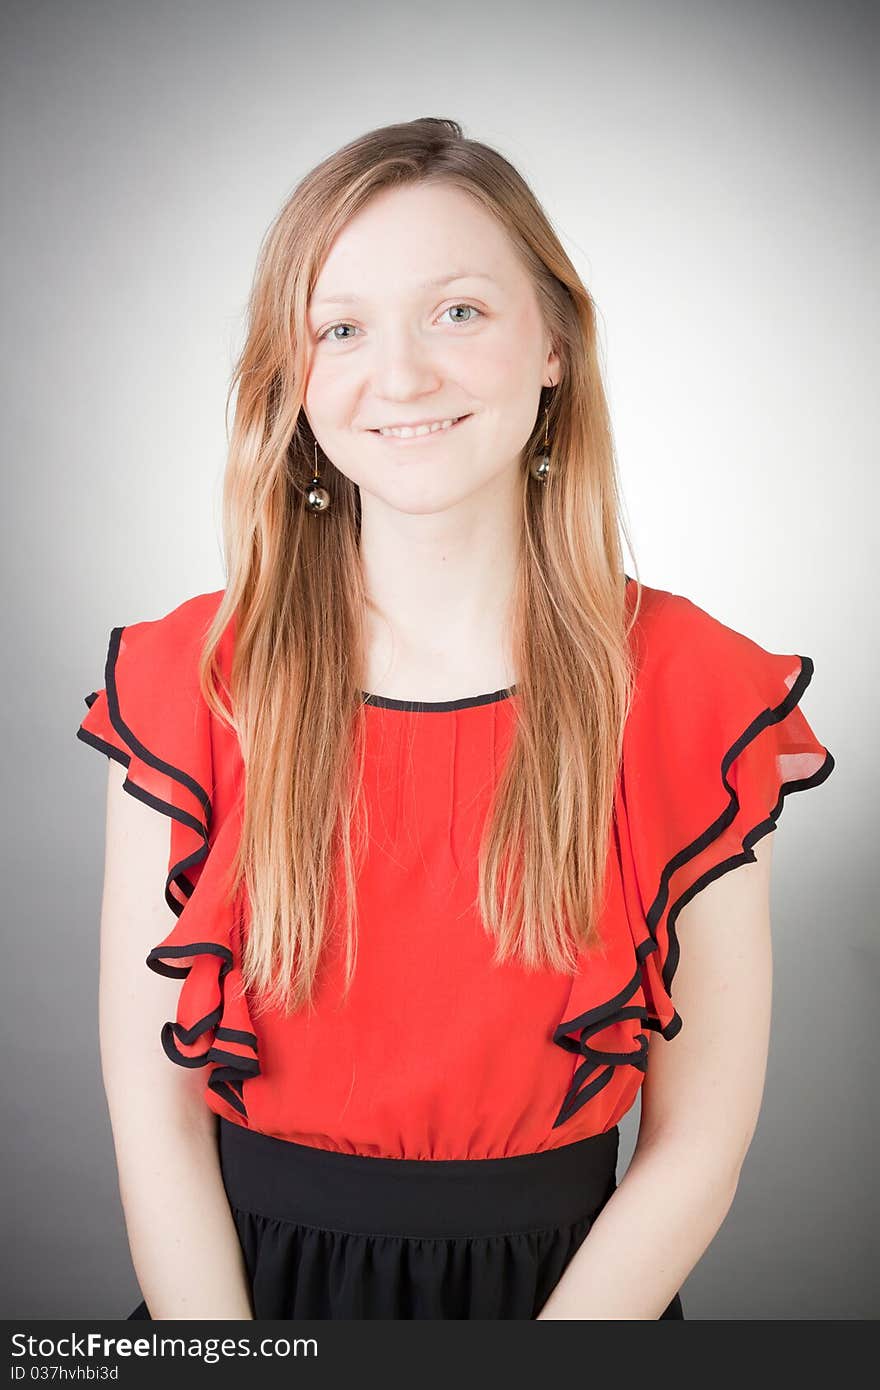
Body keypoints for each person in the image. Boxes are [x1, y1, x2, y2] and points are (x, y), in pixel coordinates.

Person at [76, 117, 835, 1321]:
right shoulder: (189, 679)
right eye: (341, 327)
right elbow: (152, 1109)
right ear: (297, 379)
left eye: (459, 311)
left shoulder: (693, 689)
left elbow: (697, 1145)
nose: (404, 376)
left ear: (554, 345)